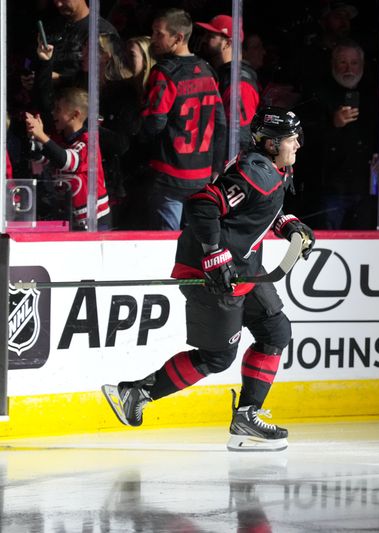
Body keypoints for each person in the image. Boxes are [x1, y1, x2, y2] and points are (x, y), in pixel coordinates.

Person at [101, 107, 316, 451]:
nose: (297, 145)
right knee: (216, 357)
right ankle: (135, 392)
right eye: (292, 139)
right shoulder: (254, 172)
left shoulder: (273, 168)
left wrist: (286, 223)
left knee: (275, 331)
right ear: (273, 144)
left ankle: (247, 415)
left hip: (242, 268)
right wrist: (214, 255)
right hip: (212, 271)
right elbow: (203, 204)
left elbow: (251, 213)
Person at [141, 8, 226, 230]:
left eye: (159, 34)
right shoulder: (207, 71)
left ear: (178, 38)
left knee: (167, 246)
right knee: (195, 245)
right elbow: (221, 124)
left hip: (169, 175)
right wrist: (215, 166)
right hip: (202, 176)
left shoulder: (164, 73)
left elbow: (154, 124)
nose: (153, 38)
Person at [300, 39, 378, 229]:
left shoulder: (373, 94)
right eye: (342, 62)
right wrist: (332, 123)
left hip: (364, 187)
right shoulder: (317, 94)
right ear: (333, 64)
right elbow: (303, 138)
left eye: (354, 62)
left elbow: (378, 136)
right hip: (329, 187)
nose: (348, 68)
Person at [24, 86, 112, 230]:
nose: (53, 113)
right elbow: (42, 158)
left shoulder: (88, 142)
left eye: (58, 109)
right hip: (70, 218)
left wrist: (41, 135)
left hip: (94, 221)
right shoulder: (62, 139)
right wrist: (34, 137)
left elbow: (67, 161)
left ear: (75, 115)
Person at [196, 15, 261, 153]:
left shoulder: (239, 82)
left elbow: (239, 138)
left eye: (211, 36)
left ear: (228, 43)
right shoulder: (221, 74)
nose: (204, 40)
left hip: (225, 164)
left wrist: (223, 169)